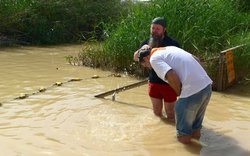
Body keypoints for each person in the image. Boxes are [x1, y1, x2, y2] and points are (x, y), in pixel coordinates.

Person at [137, 46, 212, 144]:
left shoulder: (153, 58)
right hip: (206, 86)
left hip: (191, 91)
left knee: (183, 135)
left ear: (146, 58)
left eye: (146, 65)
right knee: (195, 128)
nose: (149, 67)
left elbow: (171, 74)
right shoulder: (169, 48)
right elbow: (196, 59)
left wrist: (180, 94)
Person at [133, 17, 180, 120]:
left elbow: (179, 62)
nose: (154, 31)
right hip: (154, 82)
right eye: (153, 28)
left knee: (171, 113)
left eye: (158, 29)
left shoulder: (172, 43)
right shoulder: (146, 42)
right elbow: (135, 57)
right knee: (157, 112)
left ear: (164, 29)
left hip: (169, 83)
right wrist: (141, 49)